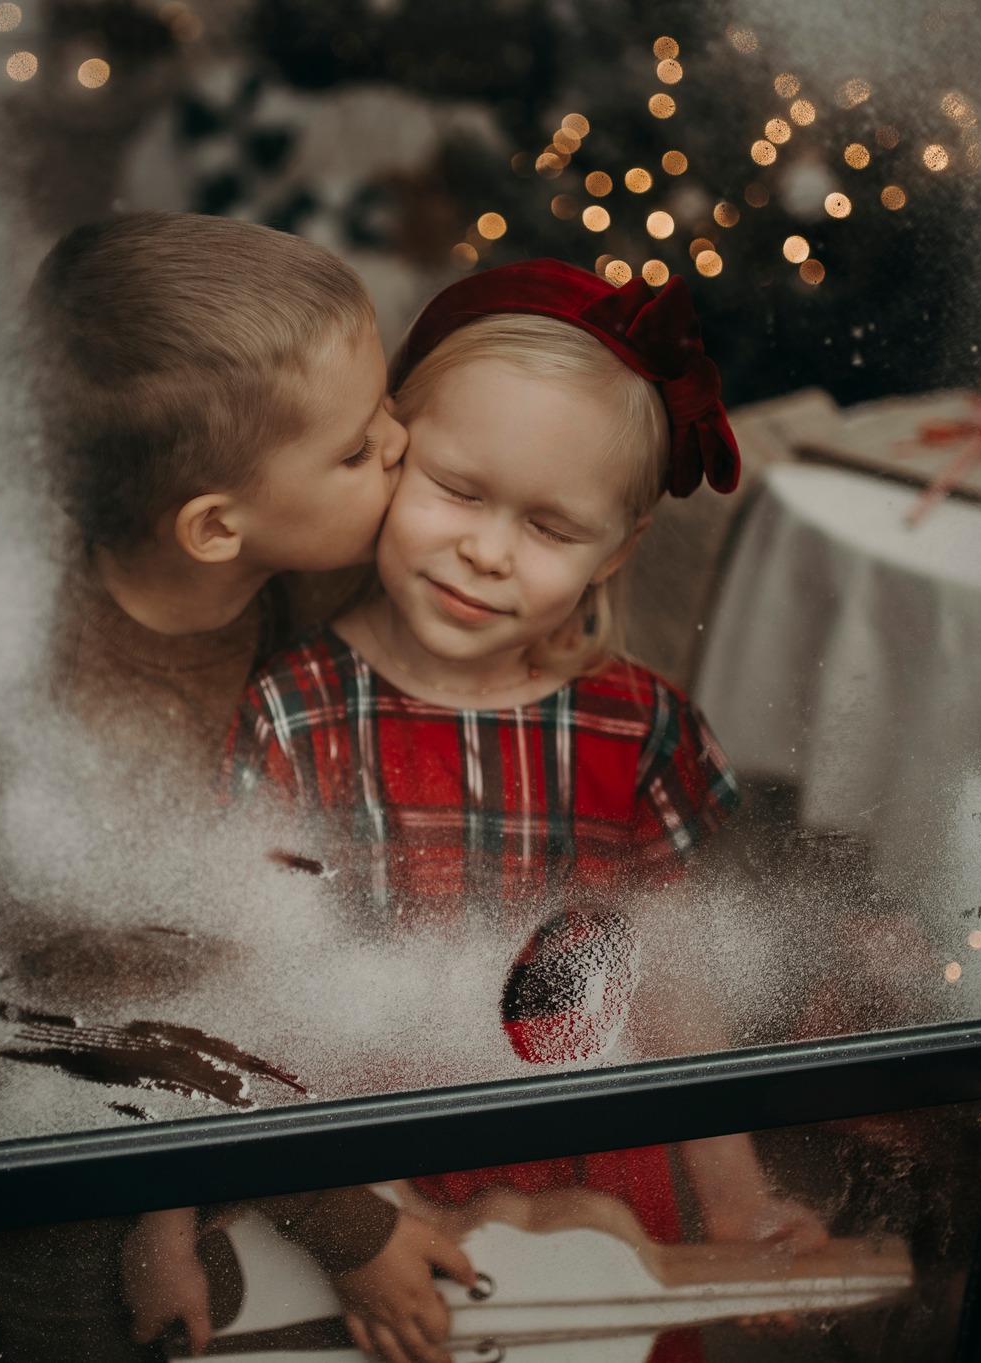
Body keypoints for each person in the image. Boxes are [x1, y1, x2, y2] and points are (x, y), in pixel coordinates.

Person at [222, 259, 828, 1363]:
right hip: (365, 1186)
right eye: (457, 489)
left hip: (588, 1180)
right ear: (392, 447)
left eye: (549, 526)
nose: (487, 551)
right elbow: (256, 1001)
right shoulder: (294, 714)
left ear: (618, 546)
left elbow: (671, 982)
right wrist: (350, 1220)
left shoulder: (637, 728)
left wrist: (734, 1198)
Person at [0, 211, 469, 1363]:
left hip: (223, 1128)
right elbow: (141, 1036)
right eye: (354, 449)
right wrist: (347, 1229)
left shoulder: (266, 572)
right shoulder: (87, 739)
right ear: (212, 526)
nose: (399, 443)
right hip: (76, 1181)